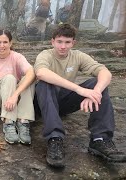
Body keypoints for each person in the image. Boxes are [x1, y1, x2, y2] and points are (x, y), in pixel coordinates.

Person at [34, 23, 126, 168]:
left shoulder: (78, 56)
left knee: (98, 84)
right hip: (43, 102)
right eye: (59, 42)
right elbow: (40, 73)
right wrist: (80, 90)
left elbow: (104, 72)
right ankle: (55, 138)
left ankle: (99, 139)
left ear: (73, 43)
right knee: (44, 83)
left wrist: (95, 92)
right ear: (52, 42)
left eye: (67, 42)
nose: (63, 46)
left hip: (64, 103)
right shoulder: (45, 55)